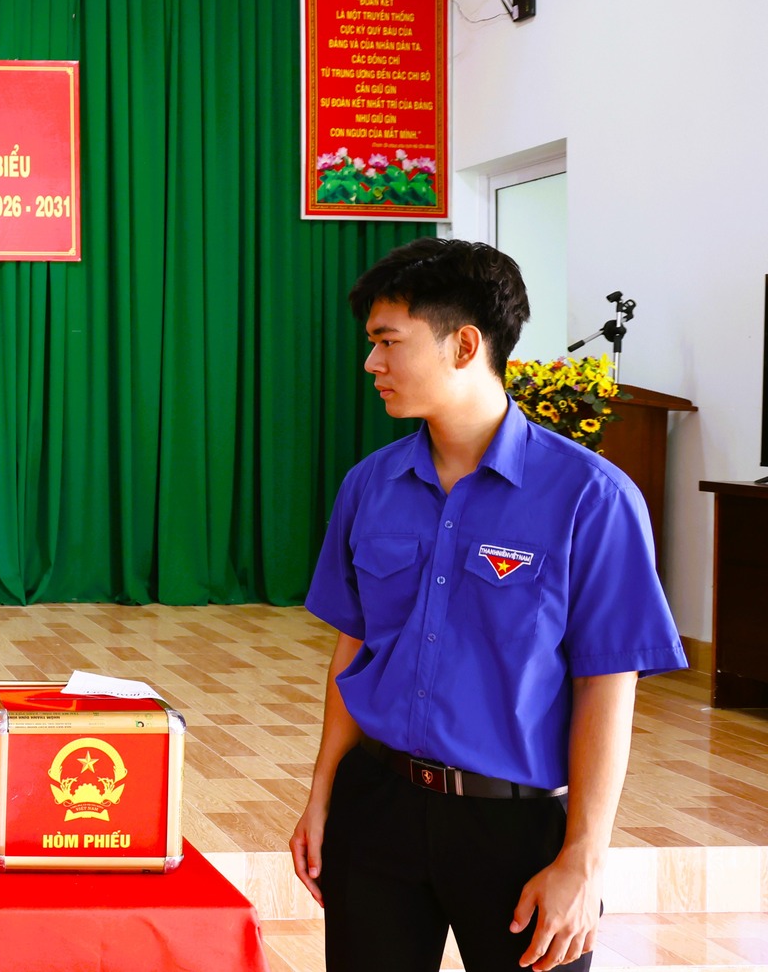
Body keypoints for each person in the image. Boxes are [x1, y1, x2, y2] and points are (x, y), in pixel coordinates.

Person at [289, 239, 685, 972]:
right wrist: (322, 796)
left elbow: (608, 686)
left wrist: (583, 859)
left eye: (388, 342)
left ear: (465, 345)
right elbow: (354, 647)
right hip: (377, 812)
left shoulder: (592, 500)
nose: (371, 363)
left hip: (517, 831)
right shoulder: (368, 486)